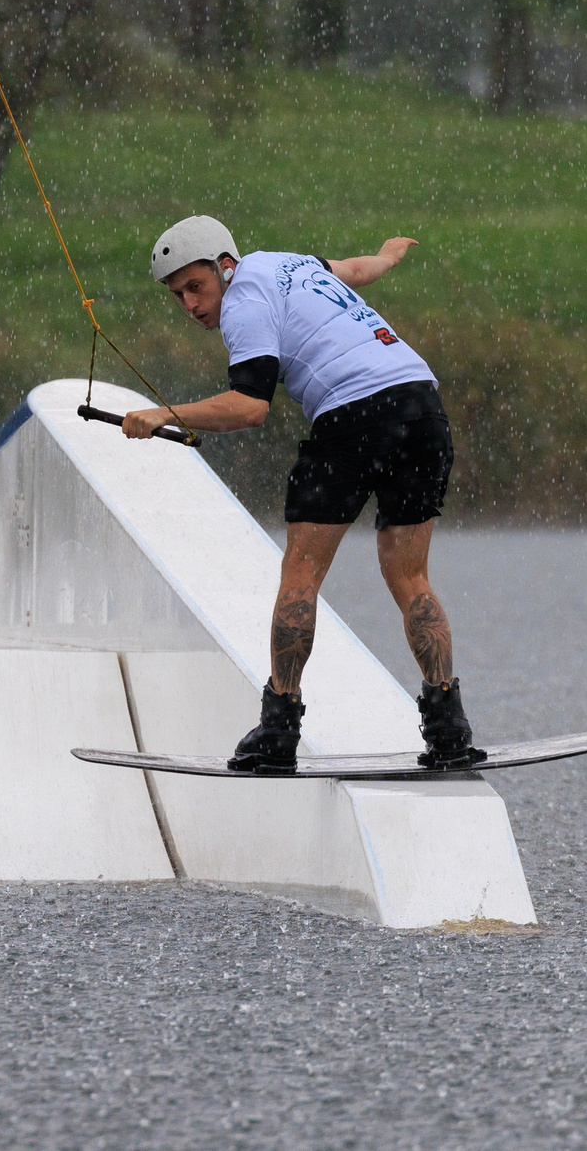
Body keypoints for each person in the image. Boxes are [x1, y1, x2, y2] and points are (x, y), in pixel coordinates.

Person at [121, 215, 481, 772]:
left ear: (225, 266)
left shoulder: (242, 304)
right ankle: (449, 726)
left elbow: (249, 407)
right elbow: (357, 271)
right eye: (178, 296)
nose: (191, 304)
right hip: (421, 405)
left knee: (301, 576)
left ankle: (279, 727)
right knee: (409, 575)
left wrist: (160, 414)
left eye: (196, 287)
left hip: (354, 417)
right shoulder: (287, 264)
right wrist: (387, 255)